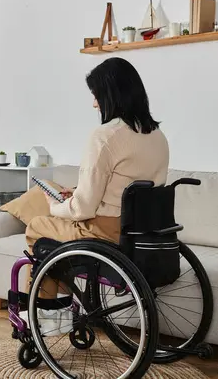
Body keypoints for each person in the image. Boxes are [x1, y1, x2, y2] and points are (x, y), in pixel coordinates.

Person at [26, 57, 170, 300]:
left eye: (96, 95)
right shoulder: (158, 136)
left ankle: (49, 315)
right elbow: (127, 187)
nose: (94, 104)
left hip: (104, 234)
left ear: (111, 95)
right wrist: (79, 190)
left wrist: (56, 207)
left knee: (36, 227)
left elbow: (83, 209)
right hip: (144, 232)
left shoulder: (105, 136)